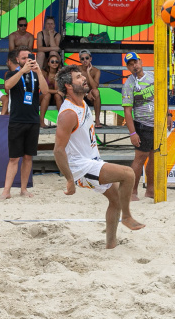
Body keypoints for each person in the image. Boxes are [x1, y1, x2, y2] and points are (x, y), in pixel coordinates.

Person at [53, 65, 144, 248]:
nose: (83, 78)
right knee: (128, 174)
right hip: (81, 168)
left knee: (116, 200)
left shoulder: (82, 102)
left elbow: (91, 88)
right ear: (69, 87)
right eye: (78, 77)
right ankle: (126, 217)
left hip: (92, 162)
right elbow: (58, 150)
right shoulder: (68, 113)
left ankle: (111, 244)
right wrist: (70, 179)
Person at [1, 49, 48, 200]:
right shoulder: (11, 73)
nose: (27, 59)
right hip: (17, 120)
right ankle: (6, 191)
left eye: (29, 57)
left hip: (33, 120)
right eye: (23, 58)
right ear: (17, 60)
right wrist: (22, 71)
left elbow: (46, 91)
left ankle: (23, 189)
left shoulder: (35, 75)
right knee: (14, 158)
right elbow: (7, 86)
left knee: (28, 157)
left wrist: (39, 71)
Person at [123, 52, 167, 201]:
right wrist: (132, 133)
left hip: (158, 123)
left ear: (141, 61)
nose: (134, 65)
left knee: (154, 158)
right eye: (130, 64)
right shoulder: (129, 84)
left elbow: (163, 96)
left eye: (135, 62)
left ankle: (150, 190)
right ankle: (132, 192)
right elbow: (127, 111)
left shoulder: (153, 76)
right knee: (140, 159)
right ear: (128, 67)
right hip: (143, 125)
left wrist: (168, 114)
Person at [79, 51, 103, 126]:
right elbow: (75, 87)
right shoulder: (77, 70)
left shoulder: (96, 71)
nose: (85, 60)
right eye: (82, 59)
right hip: (80, 95)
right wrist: (85, 94)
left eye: (87, 58)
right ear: (80, 60)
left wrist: (88, 73)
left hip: (91, 96)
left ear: (90, 59)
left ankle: (97, 119)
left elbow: (94, 87)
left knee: (96, 92)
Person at [39, 55, 63, 127]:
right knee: (47, 95)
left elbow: (57, 89)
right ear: (48, 63)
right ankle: (41, 121)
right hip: (43, 97)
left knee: (58, 96)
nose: (54, 63)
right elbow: (43, 90)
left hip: (55, 98)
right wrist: (57, 91)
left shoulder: (60, 73)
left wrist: (57, 77)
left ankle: (61, 121)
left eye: (56, 61)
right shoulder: (43, 72)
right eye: (52, 61)